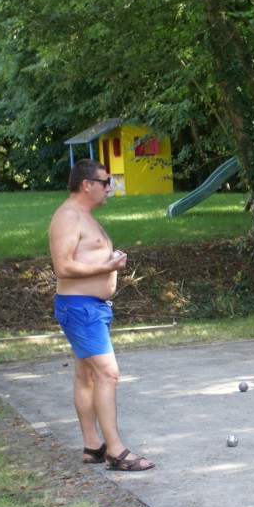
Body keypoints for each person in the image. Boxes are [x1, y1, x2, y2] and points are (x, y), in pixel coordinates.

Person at [49, 159, 155, 471]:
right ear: (86, 185)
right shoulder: (68, 216)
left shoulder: (83, 216)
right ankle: (116, 452)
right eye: (105, 182)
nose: (110, 187)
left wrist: (108, 259)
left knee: (87, 376)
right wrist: (107, 266)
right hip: (80, 308)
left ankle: (93, 446)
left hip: (90, 307)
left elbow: (83, 256)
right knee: (108, 374)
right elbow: (63, 267)